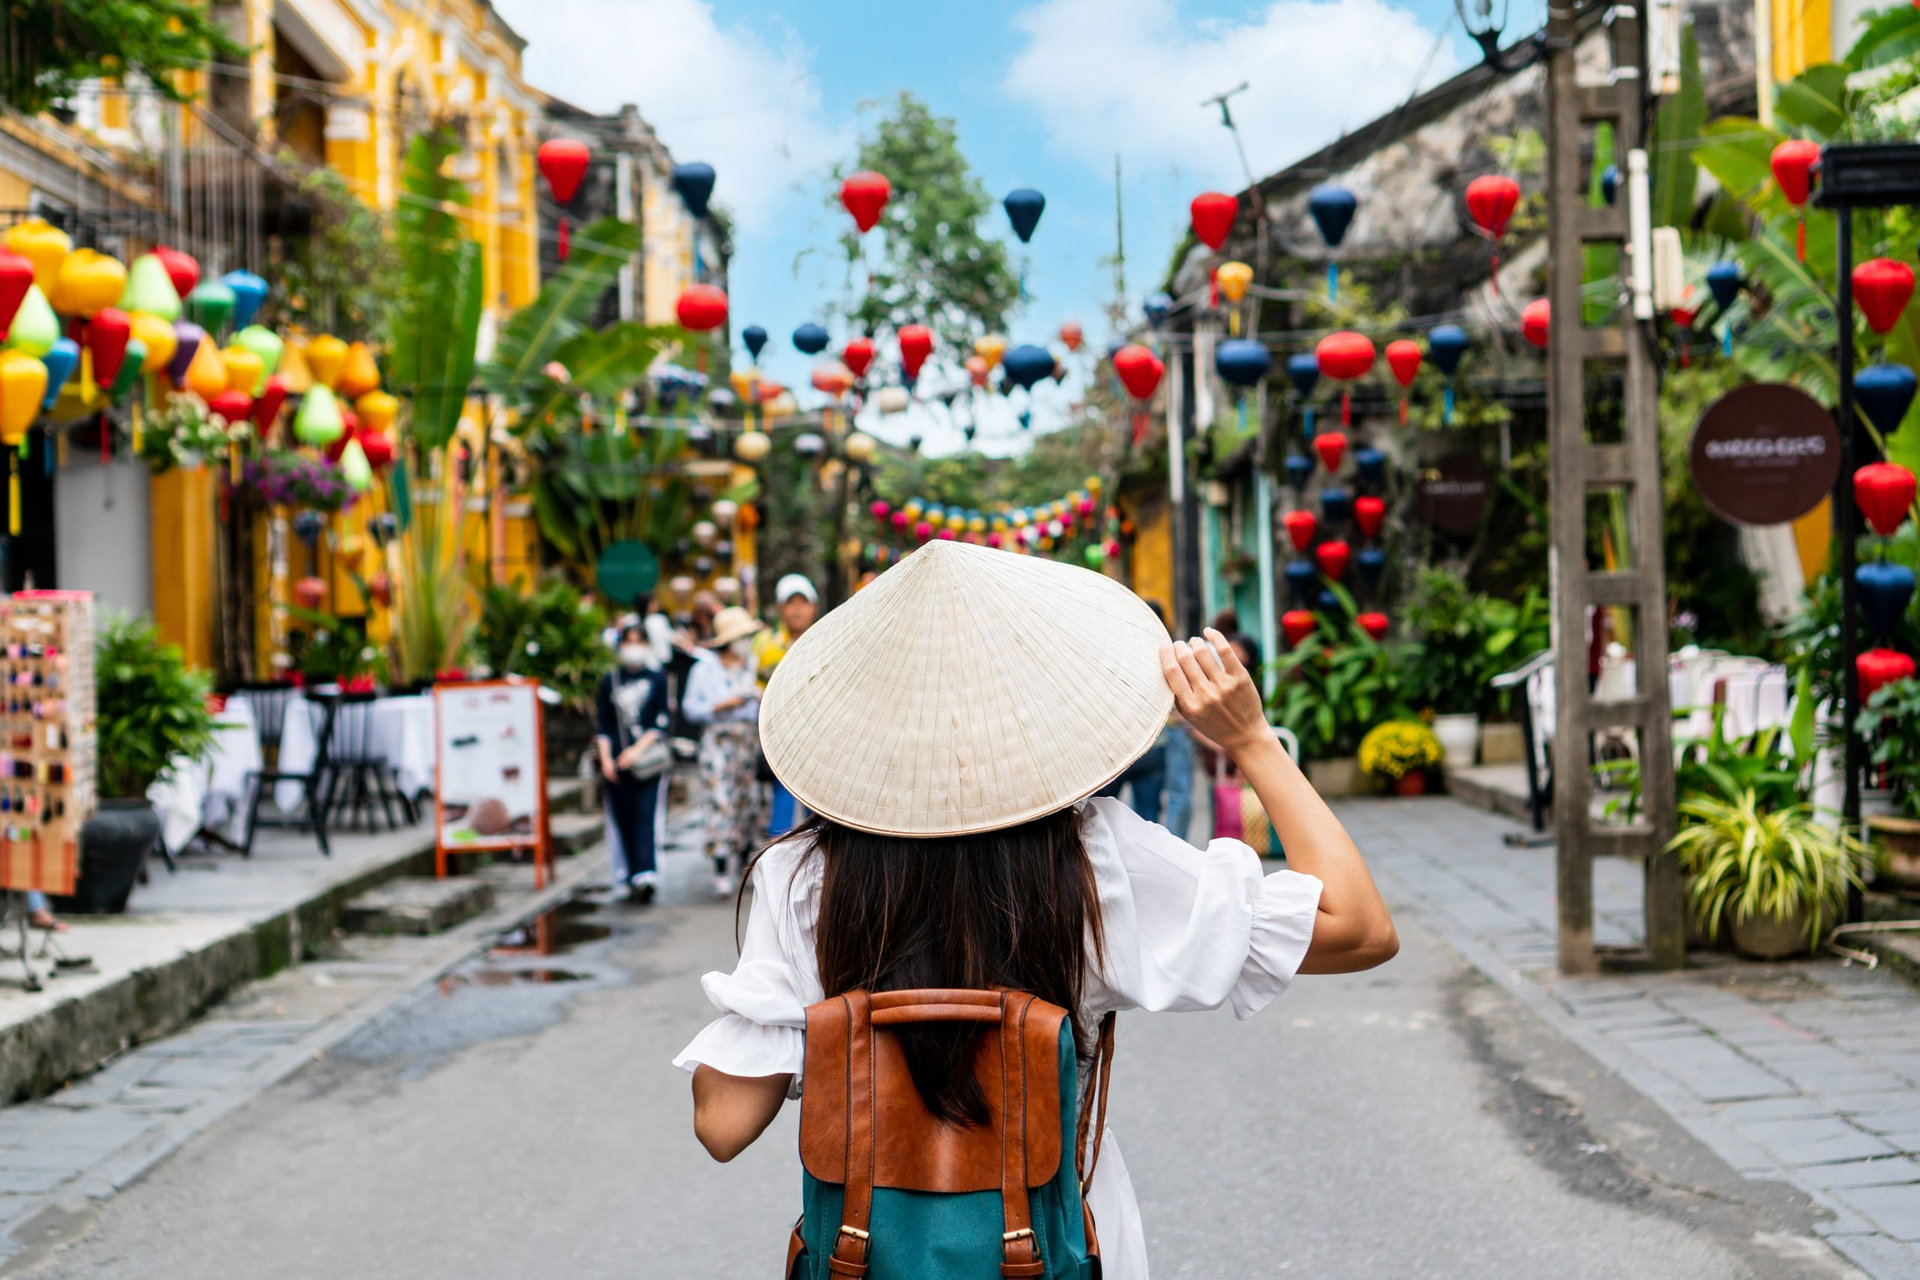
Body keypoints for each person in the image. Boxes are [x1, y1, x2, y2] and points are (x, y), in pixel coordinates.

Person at [674, 542, 1397, 1278]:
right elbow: (1361, 928)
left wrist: (829, 1026)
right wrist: (1251, 740)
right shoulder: (1094, 859)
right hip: (1058, 1249)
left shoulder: (801, 877)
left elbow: (723, 1123)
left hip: (870, 1257)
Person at [682, 605, 764, 898]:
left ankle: (742, 863)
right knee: (721, 803)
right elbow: (690, 709)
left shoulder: (750, 664)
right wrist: (721, 706)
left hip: (747, 740)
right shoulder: (703, 670)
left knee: (747, 804)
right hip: (718, 740)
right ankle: (720, 869)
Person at [593, 624, 670, 903]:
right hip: (615, 762)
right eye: (628, 641)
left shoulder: (657, 678)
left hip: (646, 761)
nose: (633, 646)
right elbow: (602, 724)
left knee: (646, 814)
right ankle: (628, 873)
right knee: (622, 816)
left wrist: (636, 752)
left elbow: (660, 722)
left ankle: (645, 873)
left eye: (639, 641)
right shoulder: (609, 680)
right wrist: (605, 759)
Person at [753, 573, 818, 837]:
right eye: (791, 603)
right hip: (779, 735)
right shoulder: (765, 644)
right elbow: (756, 689)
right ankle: (778, 859)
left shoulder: (826, 638)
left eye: (803, 602)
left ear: (813, 607)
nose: (798, 609)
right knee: (782, 801)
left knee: (819, 804)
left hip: (818, 735)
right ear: (781, 608)